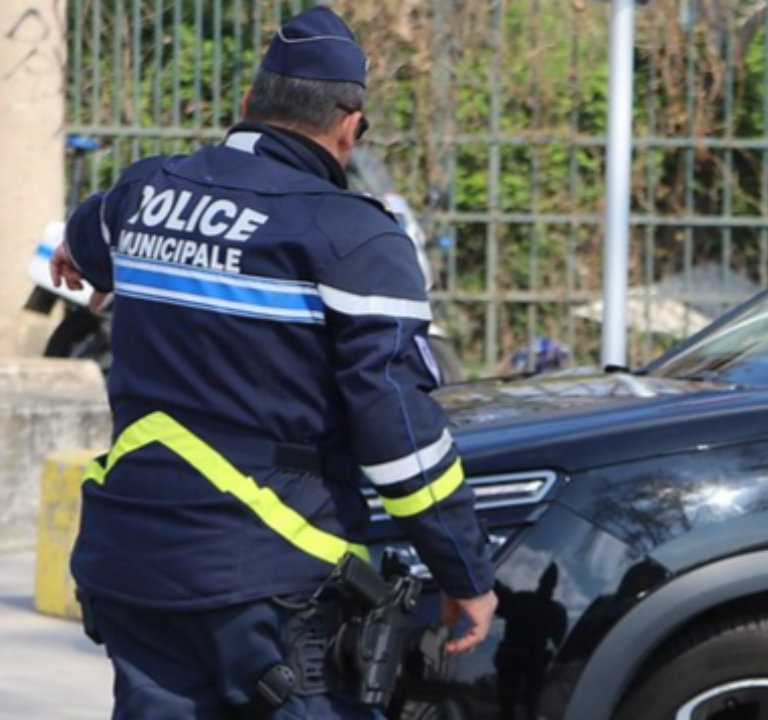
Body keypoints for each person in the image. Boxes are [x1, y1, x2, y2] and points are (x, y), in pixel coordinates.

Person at [49, 7, 497, 719]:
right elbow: (398, 432)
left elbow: (86, 233)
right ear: (350, 126)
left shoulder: (141, 193)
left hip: (131, 561)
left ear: (247, 104)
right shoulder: (354, 238)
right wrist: (465, 571)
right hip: (271, 582)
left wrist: (77, 250)